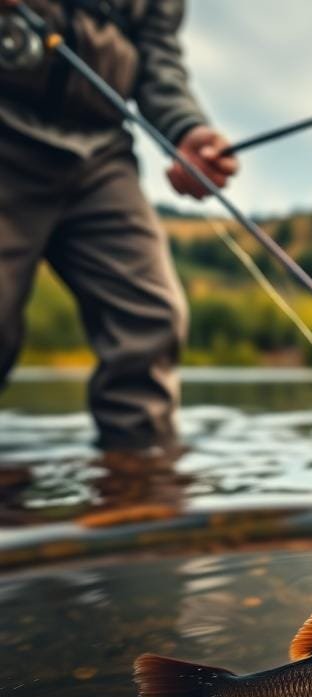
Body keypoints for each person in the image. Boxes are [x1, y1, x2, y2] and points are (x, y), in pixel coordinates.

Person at [0, 0, 237, 448]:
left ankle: (139, 483)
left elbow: (157, 58)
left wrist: (186, 132)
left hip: (101, 156)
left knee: (151, 316)